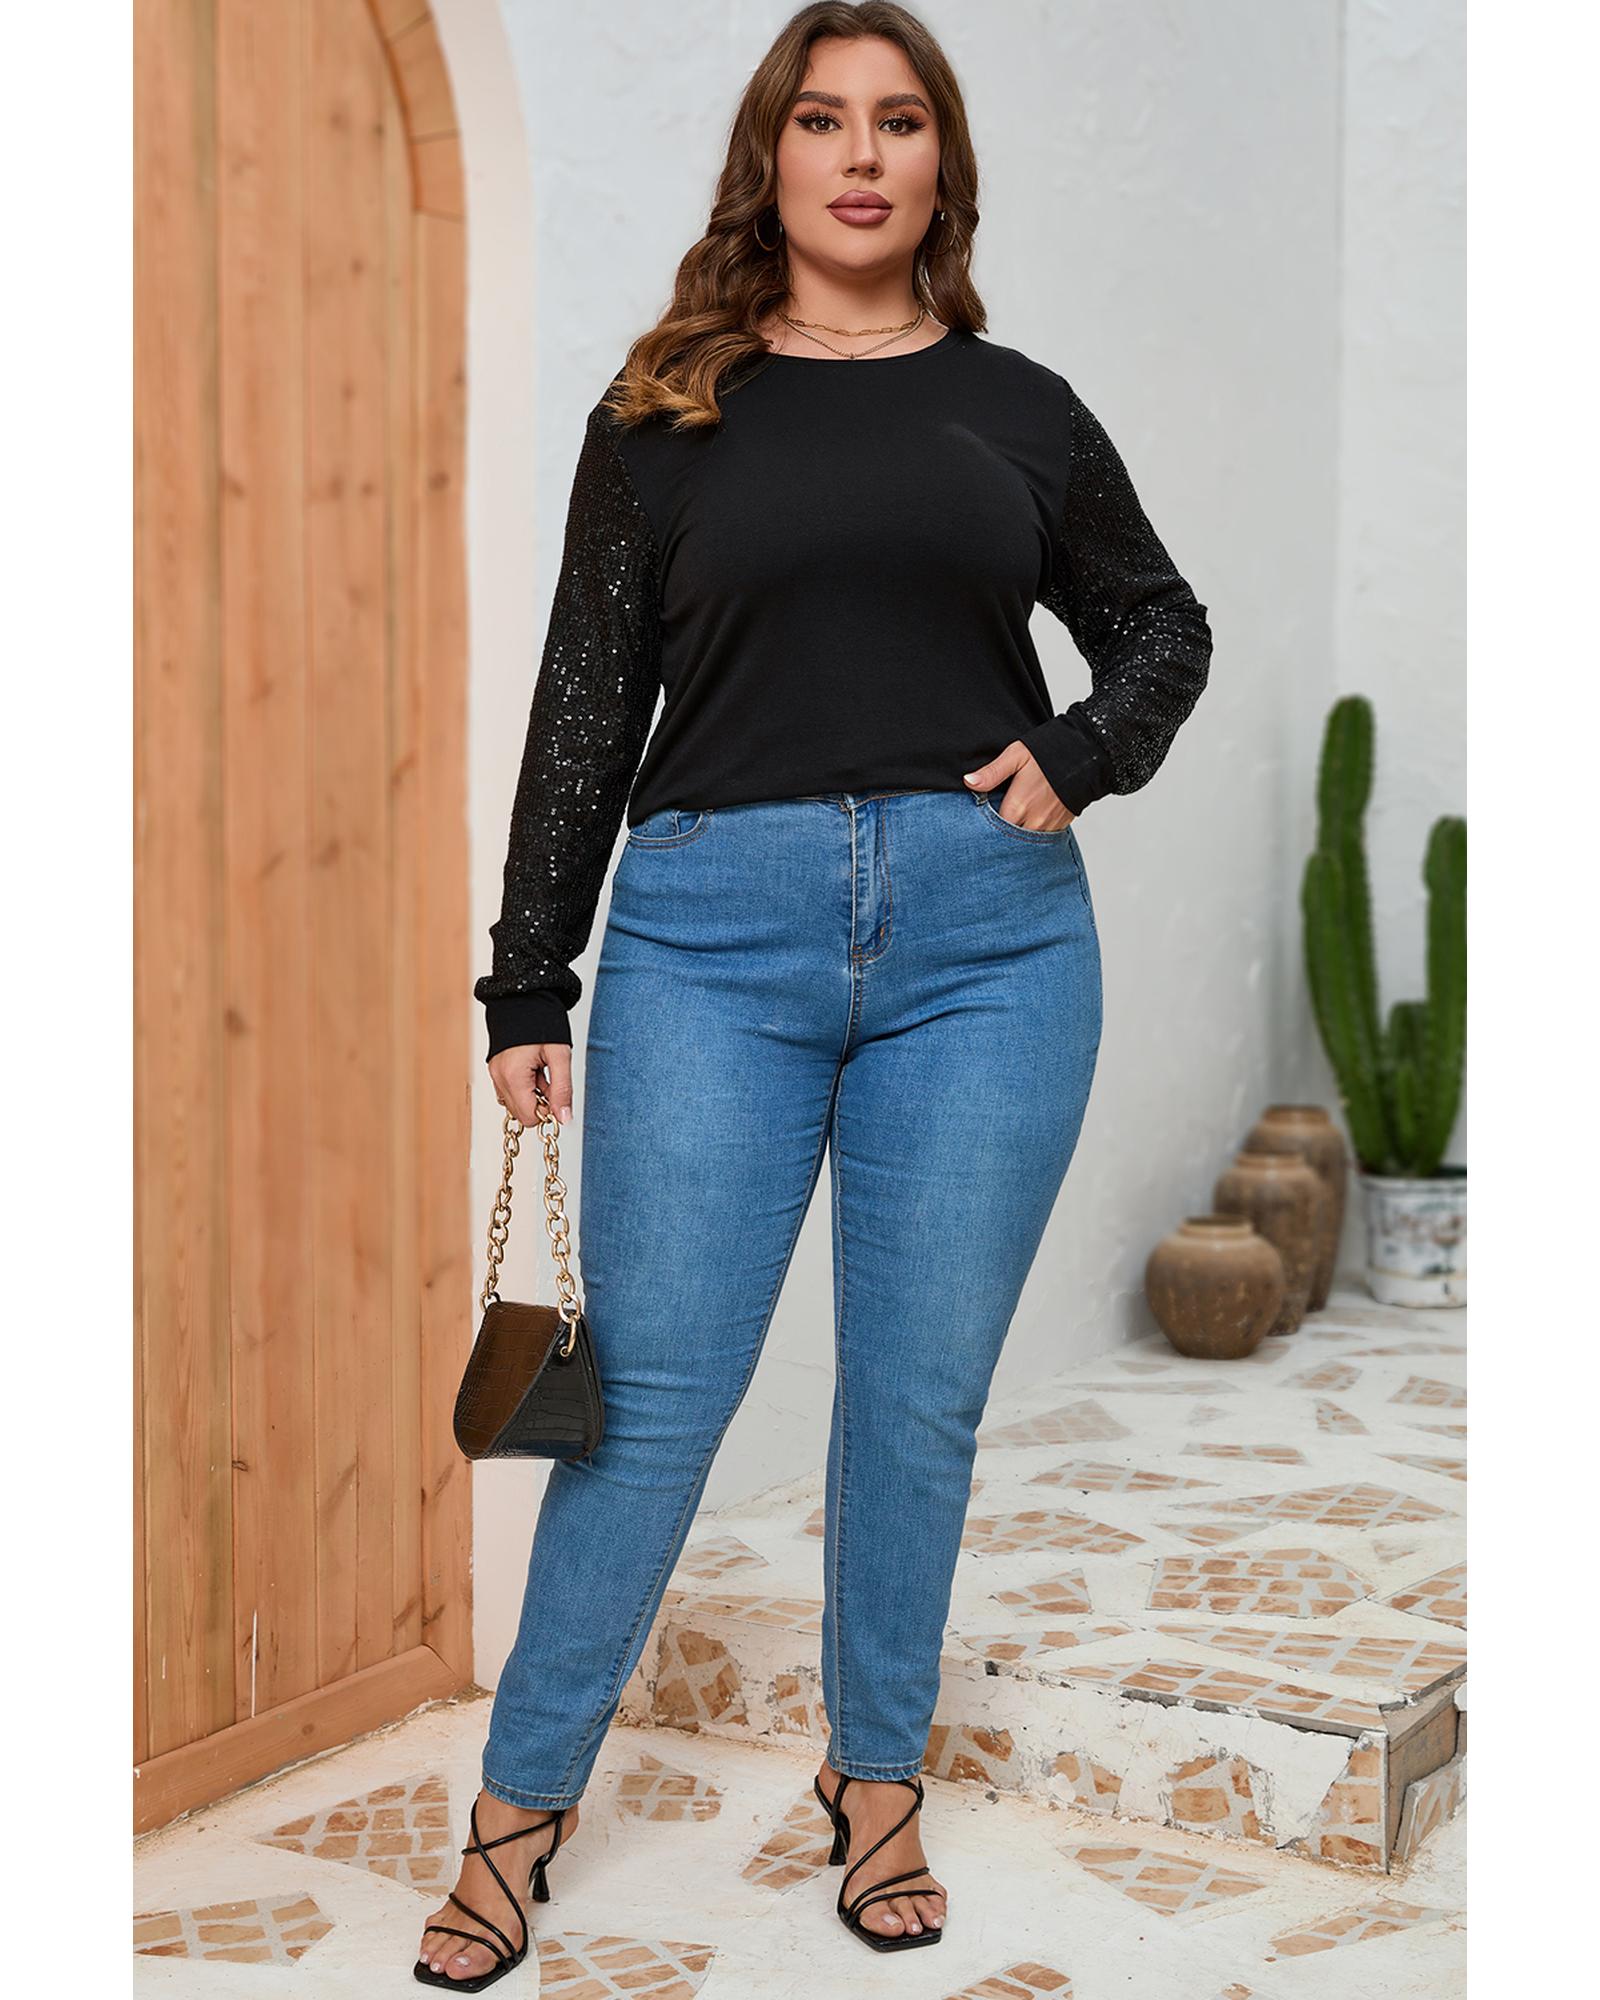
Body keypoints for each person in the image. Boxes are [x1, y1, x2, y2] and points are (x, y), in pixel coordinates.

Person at [417, 1, 1212, 1984]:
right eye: (823, 119)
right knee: (651, 1403)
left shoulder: (1018, 407)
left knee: (914, 1400)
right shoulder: (663, 411)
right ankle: (517, 1812)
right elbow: (583, 710)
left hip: (988, 944)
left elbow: (1157, 623)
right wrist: (528, 979)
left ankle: (874, 1785)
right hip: (713, 939)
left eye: (900, 121)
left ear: (941, 166)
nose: (861, 155)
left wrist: (1083, 749)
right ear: (767, 157)